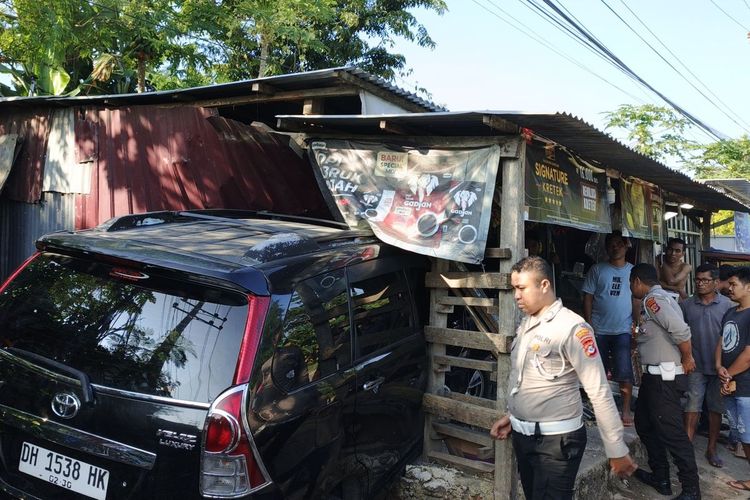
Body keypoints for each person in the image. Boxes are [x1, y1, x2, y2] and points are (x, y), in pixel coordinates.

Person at [490, 256, 637, 499]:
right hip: (524, 436)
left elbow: (599, 390)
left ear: (544, 285)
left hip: (556, 443)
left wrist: (615, 447)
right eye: (514, 288)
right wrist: (513, 416)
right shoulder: (527, 324)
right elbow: (528, 379)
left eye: (522, 288)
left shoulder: (573, 328)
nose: (516, 295)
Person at [630, 263, 700, 500]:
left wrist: (688, 357)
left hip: (664, 378)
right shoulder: (655, 300)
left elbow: (680, 330)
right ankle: (661, 477)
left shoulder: (653, 300)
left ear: (637, 281)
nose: (631, 288)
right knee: (644, 423)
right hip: (653, 377)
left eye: (631, 283)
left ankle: (691, 489)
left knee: (673, 434)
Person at [679, 263, 733, 468]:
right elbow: (680, 334)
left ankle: (711, 448)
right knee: (692, 406)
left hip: (720, 368)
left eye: (705, 280)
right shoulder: (687, 305)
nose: (700, 283)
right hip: (696, 365)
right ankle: (686, 448)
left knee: (715, 409)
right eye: (697, 280)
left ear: (716, 282)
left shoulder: (728, 305)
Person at [582, 230, 636, 427]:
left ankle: (626, 410)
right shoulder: (597, 270)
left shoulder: (633, 271)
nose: (615, 247)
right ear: (606, 248)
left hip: (623, 329)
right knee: (598, 372)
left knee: (624, 371)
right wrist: (588, 323)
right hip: (599, 330)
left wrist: (636, 325)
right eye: (611, 244)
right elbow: (588, 297)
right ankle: (600, 410)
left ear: (626, 246)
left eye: (619, 244)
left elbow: (636, 299)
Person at [717, 266, 750, 492]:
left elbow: (748, 356)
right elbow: (720, 342)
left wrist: (728, 374)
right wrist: (719, 366)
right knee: (741, 435)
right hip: (730, 383)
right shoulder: (730, 313)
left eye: (734, 284)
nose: (729, 288)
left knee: (748, 436)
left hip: (746, 386)